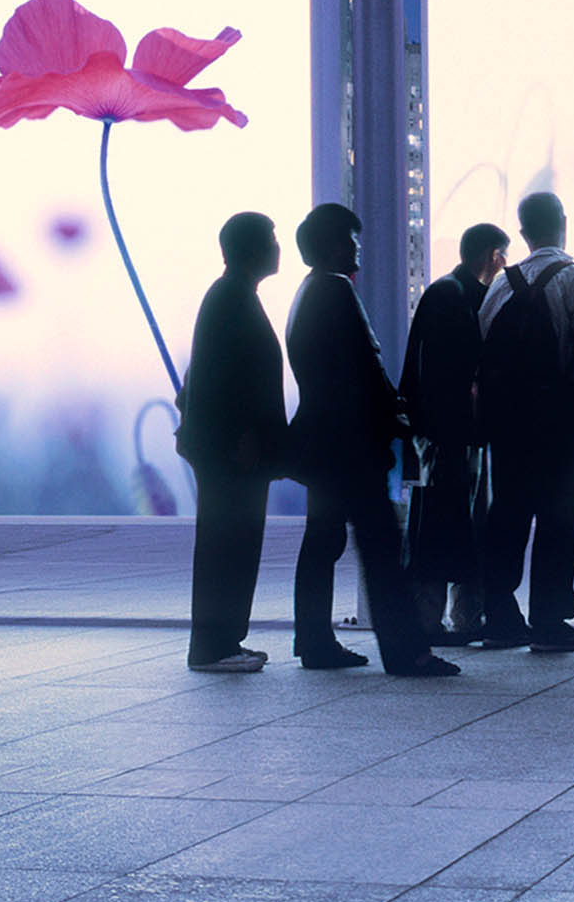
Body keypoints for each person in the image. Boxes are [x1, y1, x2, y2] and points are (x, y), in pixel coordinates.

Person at [283, 203, 457, 678]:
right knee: (382, 547)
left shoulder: (308, 292)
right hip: (352, 448)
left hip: (326, 445)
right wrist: (401, 418)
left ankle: (314, 639)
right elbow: (366, 371)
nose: (358, 248)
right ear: (336, 244)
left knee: (323, 540)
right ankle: (407, 652)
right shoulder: (337, 291)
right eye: (353, 240)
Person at [174, 211, 304, 671]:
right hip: (233, 453)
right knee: (225, 545)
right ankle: (212, 646)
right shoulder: (231, 299)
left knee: (233, 543)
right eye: (270, 238)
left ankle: (226, 639)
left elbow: (199, 376)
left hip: (233, 451)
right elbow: (227, 383)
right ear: (251, 248)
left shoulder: (232, 296)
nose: (277, 246)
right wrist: (243, 441)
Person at [475, 190, 574, 650]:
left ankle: (500, 614)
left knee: (508, 513)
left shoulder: (499, 286)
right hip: (562, 423)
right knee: (559, 516)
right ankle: (549, 619)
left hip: (509, 424)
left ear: (524, 233)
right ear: (563, 221)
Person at [400, 223, 504, 643]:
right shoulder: (455, 298)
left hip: (444, 434)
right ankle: (434, 622)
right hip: (450, 435)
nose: (504, 265)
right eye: (501, 255)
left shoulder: (447, 293)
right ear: (489, 254)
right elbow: (452, 376)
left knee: (446, 524)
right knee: (444, 526)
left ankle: (449, 619)